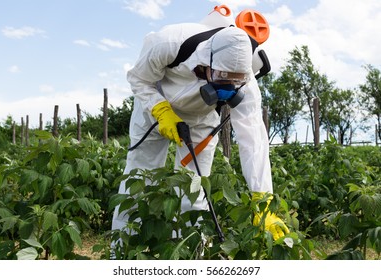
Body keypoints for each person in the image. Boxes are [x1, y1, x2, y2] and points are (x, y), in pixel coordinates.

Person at [111, 8, 289, 243]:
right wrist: (160, 110)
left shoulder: (248, 85)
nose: (228, 87)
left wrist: (262, 198)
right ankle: (121, 252)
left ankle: (190, 254)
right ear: (208, 61)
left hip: (201, 120)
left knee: (193, 190)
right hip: (153, 108)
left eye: (235, 82)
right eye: (222, 78)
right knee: (139, 179)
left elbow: (253, 140)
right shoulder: (169, 42)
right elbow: (139, 78)